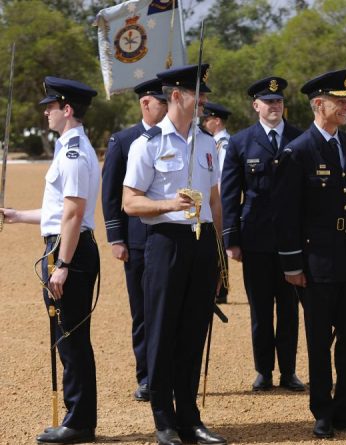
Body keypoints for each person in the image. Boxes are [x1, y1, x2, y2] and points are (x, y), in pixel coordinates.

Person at [122, 64, 226, 445]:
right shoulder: (147, 145)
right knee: (163, 331)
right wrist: (168, 204)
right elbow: (130, 203)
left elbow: (215, 201)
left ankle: (190, 418)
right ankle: (163, 418)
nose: (204, 102)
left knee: (194, 331)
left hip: (202, 244)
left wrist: (220, 256)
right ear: (177, 96)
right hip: (165, 242)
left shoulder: (208, 143)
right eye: (199, 94)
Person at [272, 69, 346, 439]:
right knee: (320, 339)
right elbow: (286, 213)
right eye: (340, 101)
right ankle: (323, 410)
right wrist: (291, 264)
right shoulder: (298, 151)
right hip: (316, 260)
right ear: (319, 104)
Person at [1, 77, 99, 445]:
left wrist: (64, 264)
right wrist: (17, 215)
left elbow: (74, 213)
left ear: (67, 109)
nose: (46, 111)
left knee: (71, 337)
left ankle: (79, 421)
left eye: (51, 106)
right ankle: (79, 417)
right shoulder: (68, 148)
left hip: (68, 249)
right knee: (67, 336)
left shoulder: (74, 151)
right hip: (63, 244)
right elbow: (58, 211)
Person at [220, 76, 305, 392]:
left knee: (288, 309)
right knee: (260, 310)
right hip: (255, 240)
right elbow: (230, 195)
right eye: (268, 102)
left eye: (279, 101)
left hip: (291, 241)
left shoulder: (299, 138)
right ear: (256, 106)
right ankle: (264, 371)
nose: (274, 107)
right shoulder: (241, 142)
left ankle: (288, 371)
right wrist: (232, 239)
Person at [101, 78, 166, 403]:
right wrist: (116, 237)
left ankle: (167, 375)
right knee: (142, 313)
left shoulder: (176, 139)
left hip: (169, 238)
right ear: (145, 104)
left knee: (167, 311)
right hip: (137, 240)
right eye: (162, 102)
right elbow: (111, 193)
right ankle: (146, 377)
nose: (167, 108)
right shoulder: (124, 141)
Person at [201, 101, 231, 305]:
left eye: (207, 119)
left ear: (217, 121)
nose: (204, 123)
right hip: (215, 201)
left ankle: (221, 289)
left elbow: (223, 179)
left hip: (220, 201)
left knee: (219, 243)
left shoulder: (224, 144)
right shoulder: (215, 142)